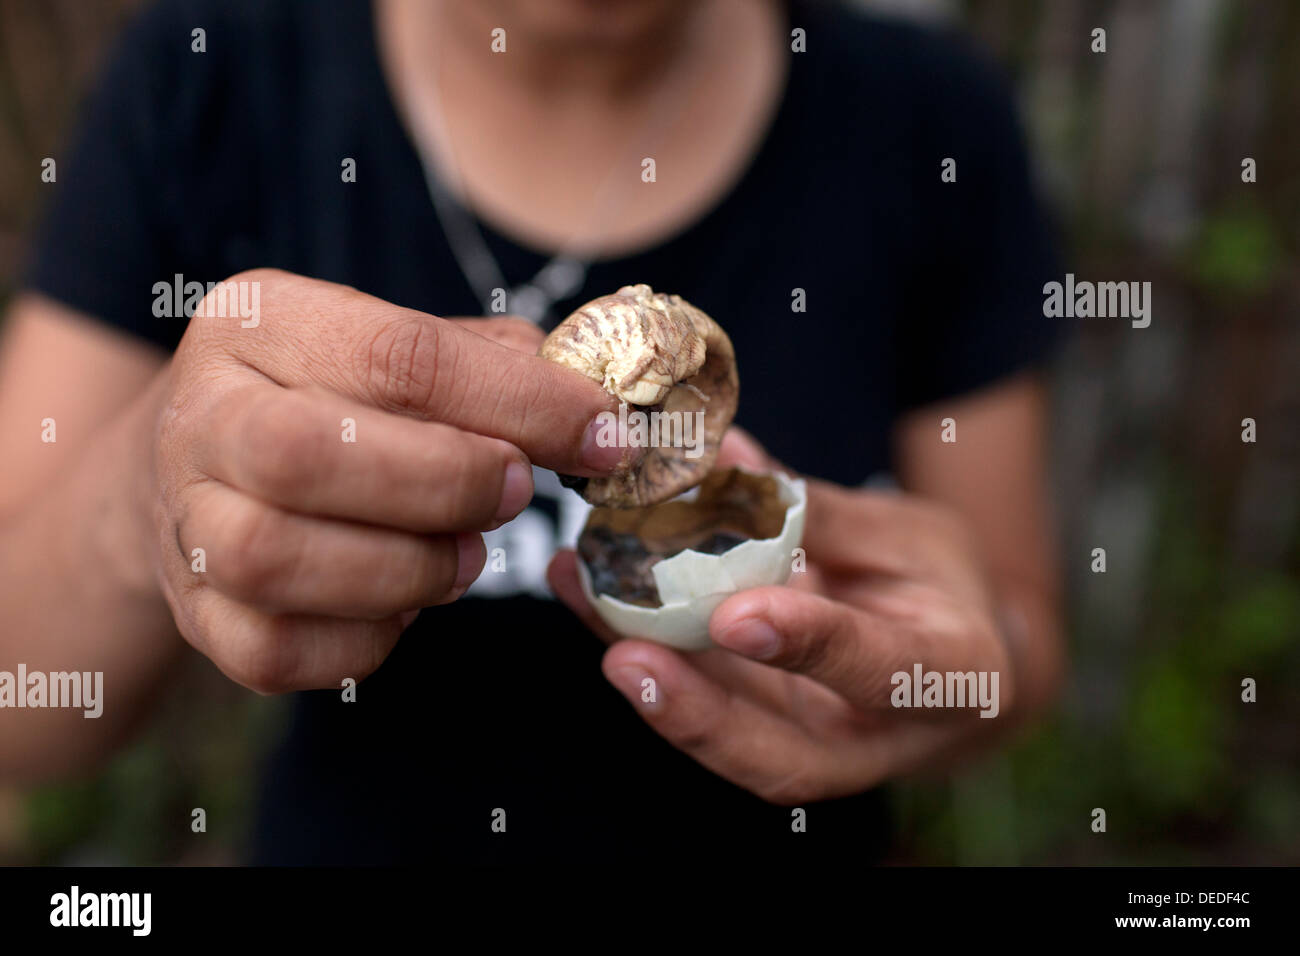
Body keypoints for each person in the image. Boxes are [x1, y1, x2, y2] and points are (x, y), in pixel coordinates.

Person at [0, 0, 1065, 863]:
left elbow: (1014, 636)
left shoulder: (929, 119)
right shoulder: (212, 75)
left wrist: (957, 672)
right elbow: (20, 709)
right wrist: (143, 504)